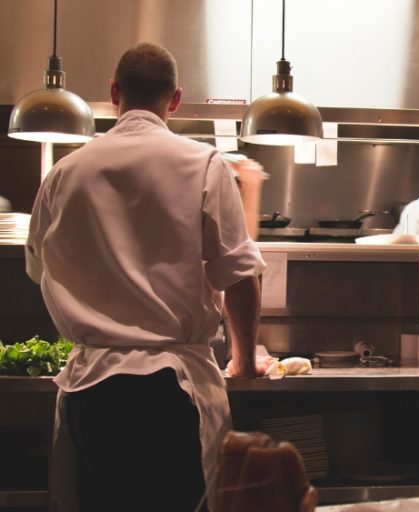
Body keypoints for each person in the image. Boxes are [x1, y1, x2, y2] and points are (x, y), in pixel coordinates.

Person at [25, 42, 266, 511]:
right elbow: (239, 276)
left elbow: (38, 270)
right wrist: (244, 361)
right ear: (175, 99)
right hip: (172, 391)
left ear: (114, 92)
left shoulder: (63, 172)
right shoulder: (204, 163)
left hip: (92, 390)